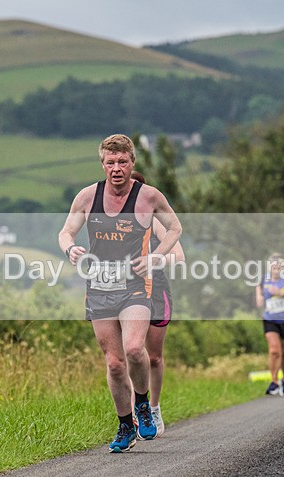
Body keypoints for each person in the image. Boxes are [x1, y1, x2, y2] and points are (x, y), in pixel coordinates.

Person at [58, 134, 182, 453]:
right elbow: (66, 230)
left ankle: (143, 404)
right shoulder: (87, 197)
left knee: (134, 349)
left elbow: (175, 228)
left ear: (132, 163)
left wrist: (156, 256)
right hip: (99, 288)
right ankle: (125, 424)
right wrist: (71, 248)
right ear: (103, 164)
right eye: (110, 162)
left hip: (135, 287)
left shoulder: (149, 197)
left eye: (122, 162)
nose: (116, 168)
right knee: (114, 364)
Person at [131, 171, 185, 437]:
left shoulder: (156, 222)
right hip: (126, 292)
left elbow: (179, 256)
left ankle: (153, 407)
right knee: (132, 352)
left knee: (153, 356)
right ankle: (133, 411)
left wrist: (153, 261)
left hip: (157, 291)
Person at [256, 253, 284, 396]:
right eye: (274, 268)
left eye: (278, 268)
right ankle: (274, 381)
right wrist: (260, 299)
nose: (276, 270)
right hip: (270, 319)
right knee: (274, 350)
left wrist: (280, 293)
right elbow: (259, 295)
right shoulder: (263, 280)